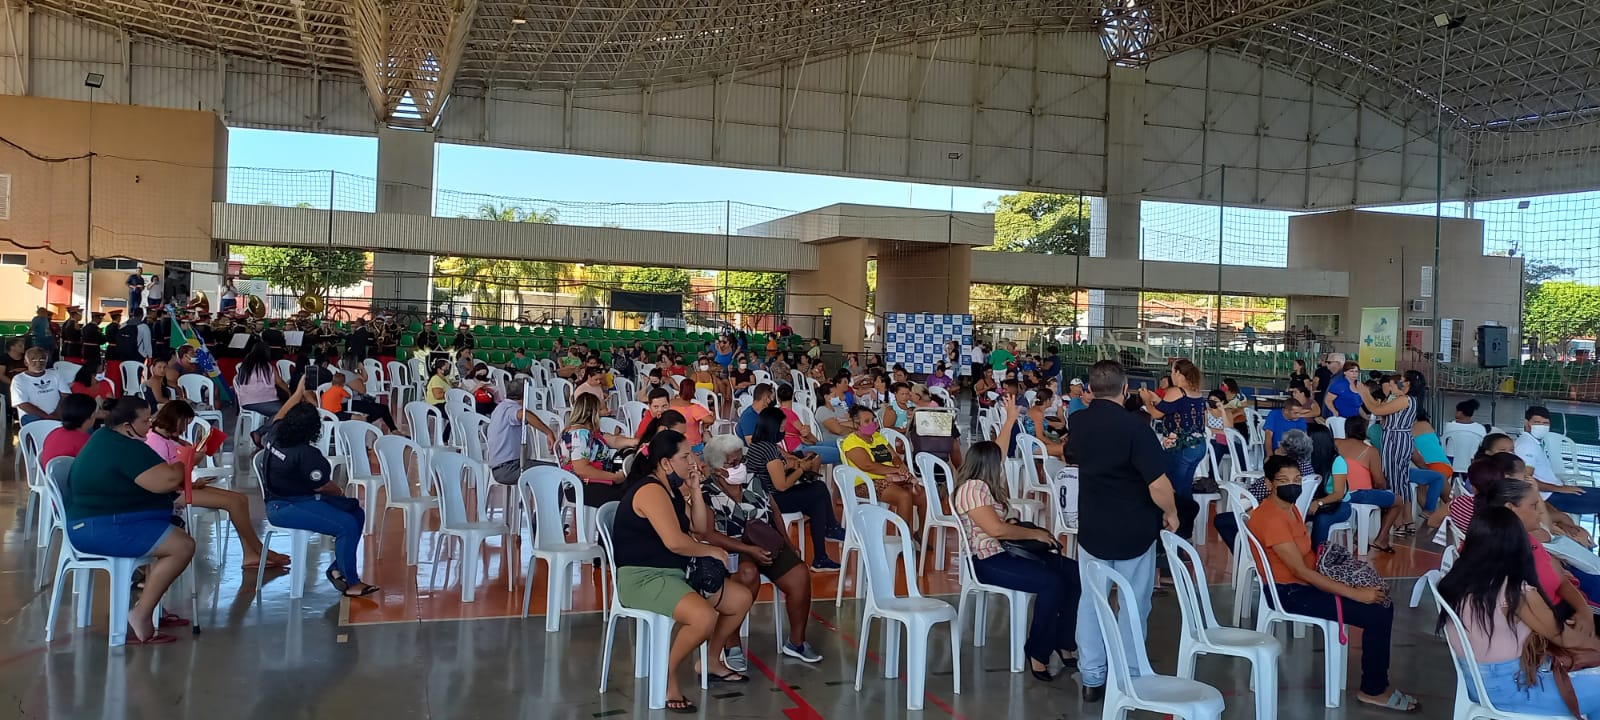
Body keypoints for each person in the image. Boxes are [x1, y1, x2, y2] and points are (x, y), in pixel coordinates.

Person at [1247, 455, 1417, 711]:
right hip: (1290, 592)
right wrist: (1354, 593)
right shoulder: (1272, 519)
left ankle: (1375, 685)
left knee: (1378, 597)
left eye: (1297, 479)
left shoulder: (1288, 508)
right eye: (1284, 480)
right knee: (1377, 612)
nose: (1293, 485)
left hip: (1306, 581)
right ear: (1269, 483)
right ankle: (1373, 690)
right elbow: (1300, 571)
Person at [612, 430, 755, 712]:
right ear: (666, 463)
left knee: (740, 600)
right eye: (686, 457)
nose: (693, 462)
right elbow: (675, 542)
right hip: (644, 578)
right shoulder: (650, 490)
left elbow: (699, 527)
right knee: (703, 617)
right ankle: (667, 675)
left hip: (674, 573)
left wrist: (695, 489)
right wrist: (710, 551)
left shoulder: (672, 490)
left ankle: (711, 661)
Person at [1066, 360, 1180, 702]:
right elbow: (1157, 484)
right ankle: (1131, 673)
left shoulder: (1078, 421)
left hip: (1093, 527)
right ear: (1126, 388)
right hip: (1133, 528)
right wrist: (1171, 513)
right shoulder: (1136, 429)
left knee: (1091, 601)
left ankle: (1092, 676)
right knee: (1133, 602)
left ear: (1090, 389)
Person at [955, 401, 1080, 680]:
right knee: (1052, 583)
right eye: (998, 462)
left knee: (1074, 573)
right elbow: (997, 530)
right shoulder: (973, 489)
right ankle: (1038, 651)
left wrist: (1010, 419)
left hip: (1009, 552)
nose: (1002, 464)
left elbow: (998, 449)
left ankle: (1065, 641)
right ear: (988, 465)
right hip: (988, 559)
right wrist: (1035, 534)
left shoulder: (985, 483)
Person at [1438, 503, 1600, 717]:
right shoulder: (1514, 592)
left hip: (1477, 681)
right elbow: (1563, 638)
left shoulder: (1457, 578)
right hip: (1510, 689)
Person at [63, 397, 195, 644]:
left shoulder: (107, 438)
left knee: (171, 537)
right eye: (145, 421)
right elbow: (166, 481)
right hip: (99, 526)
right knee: (182, 546)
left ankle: (153, 610)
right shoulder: (122, 446)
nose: (150, 425)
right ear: (127, 426)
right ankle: (141, 614)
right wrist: (184, 461)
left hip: (102, 520)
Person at [700, 434, 824, 664]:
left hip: (766, 542)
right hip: (732, 548)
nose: (740, 466)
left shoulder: (753, 479)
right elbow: (708, 534)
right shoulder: (707, 492)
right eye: (733, 463)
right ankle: (731, 642)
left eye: (741, 460)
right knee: (747, 573)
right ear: (718, 469)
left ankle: (796, 642)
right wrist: (748, 550)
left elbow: (774, 511)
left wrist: (788, 543)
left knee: (799, 574)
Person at [261, 398, 379, 598]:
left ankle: (337, 569)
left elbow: (280, 414)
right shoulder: (307, 454)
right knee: (346, 525)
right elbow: (322, 486)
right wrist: (339, 491)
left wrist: (298, 393)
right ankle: (352, 583)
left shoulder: (275, 433)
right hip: (285, 507)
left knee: (355, 511)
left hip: (295, 499)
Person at [746, 407, 843, 568]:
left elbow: (782, 463)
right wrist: (801, 469)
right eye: (782, 428)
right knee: (818, 488)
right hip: (773, 500)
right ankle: (830, 531)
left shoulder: (759, 445)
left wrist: (794, 463)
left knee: (817, 502)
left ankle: (821, 556)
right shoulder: (769, 450)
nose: (783, 431)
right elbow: (782, 486)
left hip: (767, 496)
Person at [1355, 373, 1445, 535]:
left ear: (1408, 384)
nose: (1398, 384)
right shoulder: (1407, 400)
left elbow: (1376, 410)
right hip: (1400, 439)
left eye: (1401, 382)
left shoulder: (1404, 400)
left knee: (1393, 480)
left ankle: (1398, 522)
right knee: (1401, 481)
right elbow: (1380, 409)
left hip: (1395, 440)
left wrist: (1364, 393)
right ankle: (1407, 521)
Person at [1138, 358, 1206, 546]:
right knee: (1185, 487)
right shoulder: (1195, 392)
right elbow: (1172, 408)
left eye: (1172, 372)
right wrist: (1157, 399)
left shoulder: (1176, 391)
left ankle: (1178, 532)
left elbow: (1156, 414)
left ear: (1178, 373)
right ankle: (1185, 532)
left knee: (1174, 490)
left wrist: (1147, 401)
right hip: (1198, 445)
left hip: (1180, 446)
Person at [841, 403, 924, 535]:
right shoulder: (851, 442)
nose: (872, 424)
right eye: (867, 421)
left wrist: (900, 466)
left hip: (891, 478)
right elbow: (868, 466)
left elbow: (894, 456)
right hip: (865, 483)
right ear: (857, 424)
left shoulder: (878, 437)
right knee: (904, 496)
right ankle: (904, 539)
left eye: (873, 420)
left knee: (923, 495)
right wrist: (895, 470)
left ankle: (920, 534)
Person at [1518, 405, 1600, 516]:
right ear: (1527, 423)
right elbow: (1526, 480)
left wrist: (1561, 487)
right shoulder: (1527, 446)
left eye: (1545, 423)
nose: (1542, 426)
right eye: (1537, 422)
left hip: (1555, 490)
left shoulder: (1534, 441)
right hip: (1550, 497)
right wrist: (1559, 489)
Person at [560, 394, 639, 508]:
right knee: (627, 497)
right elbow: (582, 470)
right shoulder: (579, 435)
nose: (607, 411)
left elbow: (614, 440)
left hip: (594, 480)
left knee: (632, 487)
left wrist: (636, 442)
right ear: (593, 413)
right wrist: (614, 477)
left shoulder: (591, 431)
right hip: (580, 485)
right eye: (602, 409)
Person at [486, 381, 559, 485]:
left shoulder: (500, 408)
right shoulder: (511, 409)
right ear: (524, 395)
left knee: (548, 468)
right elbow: (522, 415)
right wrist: (548, 432)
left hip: (506, 466)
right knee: (556, 472)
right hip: (509, 468)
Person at [39, 393, 99, 466]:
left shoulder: (54, 432)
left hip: (48, 472)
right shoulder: (85, 442)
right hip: (66, 473)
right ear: (91, 417)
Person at [11, 347, 66, 425]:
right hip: (33, 418)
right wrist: (47, 417)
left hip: (58, 416)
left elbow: (65, 395)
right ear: (26, 362)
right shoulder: (18, 379)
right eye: (33, 360)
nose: (38, 364)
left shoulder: (55, 374)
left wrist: (57, 414)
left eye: (42, 360)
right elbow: (22, 404)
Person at [1261, 383, 1314, 452]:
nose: (1299, 415)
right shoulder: (1274, 415)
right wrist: (1270, 454)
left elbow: (1303, 439)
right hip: (1275, 450)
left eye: (1300, 412)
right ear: (1286, 411)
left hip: (1293, 451)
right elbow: (1268, 436)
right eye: (1295, 413)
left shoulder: (1301, 420)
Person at [668, 378, 714, 452]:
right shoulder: (694, 408)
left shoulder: (670, 403)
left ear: (680, 390)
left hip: (671, 444)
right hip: (692, 446)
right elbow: (710, 420)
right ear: (693, 392)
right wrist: (704, 425)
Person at [1444, 399, 1487, 474]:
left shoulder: (1448, 426)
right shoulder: (1481, 428)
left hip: (1450, 462)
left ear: (1460, 412)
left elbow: (1442, 443)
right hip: (1472, 462)